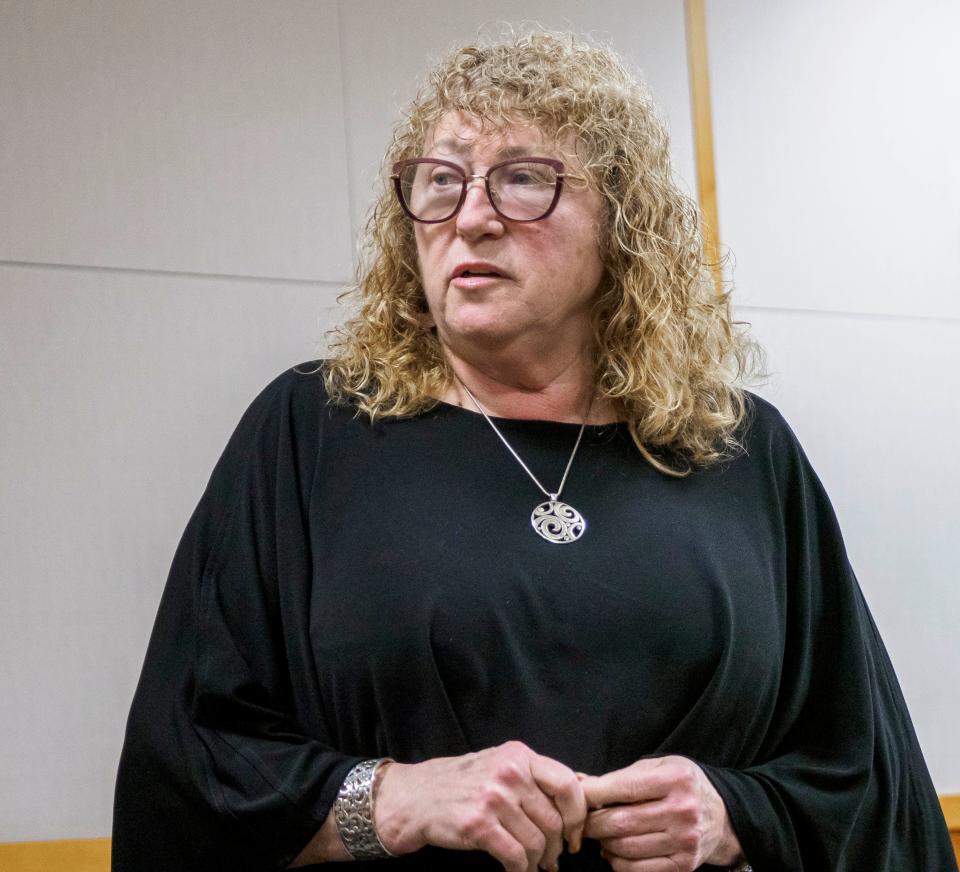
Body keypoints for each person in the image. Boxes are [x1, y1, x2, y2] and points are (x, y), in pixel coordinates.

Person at [112, 31, 957, 872]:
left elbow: (865, 773)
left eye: (522, 180)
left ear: (621, 225)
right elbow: (187, 769)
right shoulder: (310, 433)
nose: (471, 216)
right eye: (441, 182)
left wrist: (734, 814)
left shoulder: (738, 451)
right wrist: (395, 801)